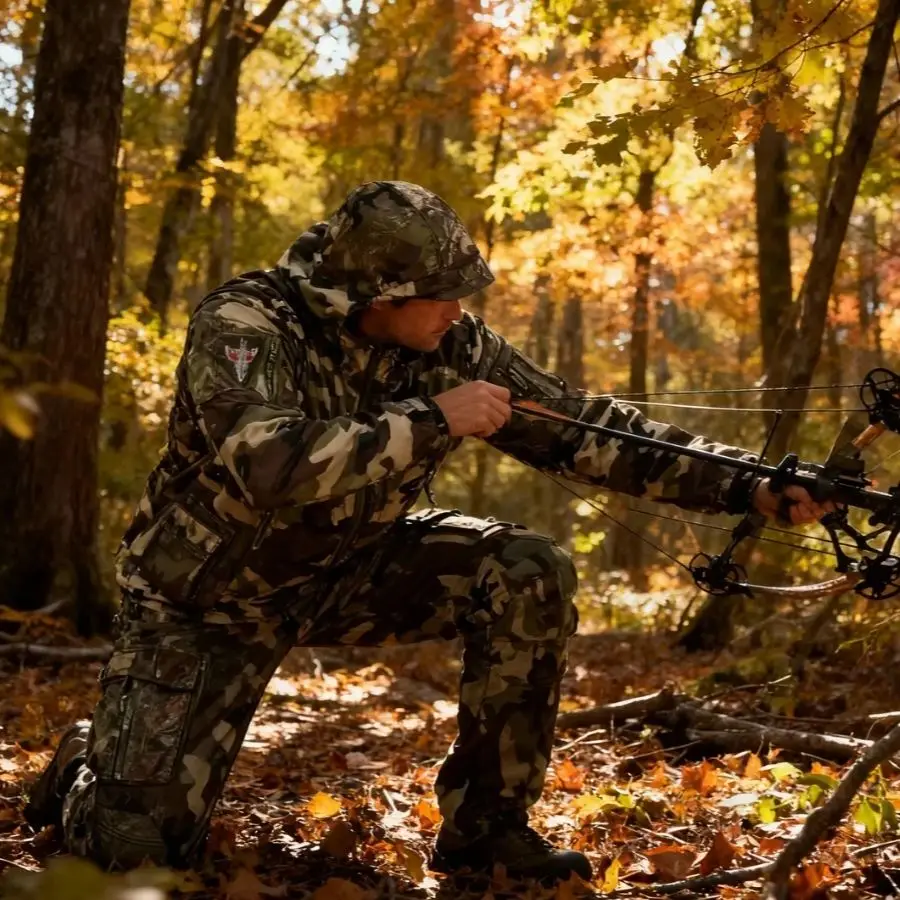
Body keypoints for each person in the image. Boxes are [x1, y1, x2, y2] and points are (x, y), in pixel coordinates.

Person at [25, 181, 832, 883]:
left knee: (526, 567)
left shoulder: (452, 342)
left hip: (351, 568)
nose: (458, 311)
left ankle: (488, 831)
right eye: (442, 294)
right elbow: (266, 465)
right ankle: (85, 766)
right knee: (136, 854)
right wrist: (432, 419)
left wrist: (750, 484)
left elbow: (582, 428)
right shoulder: (246, 323)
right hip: (208, 599)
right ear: (380, 295)